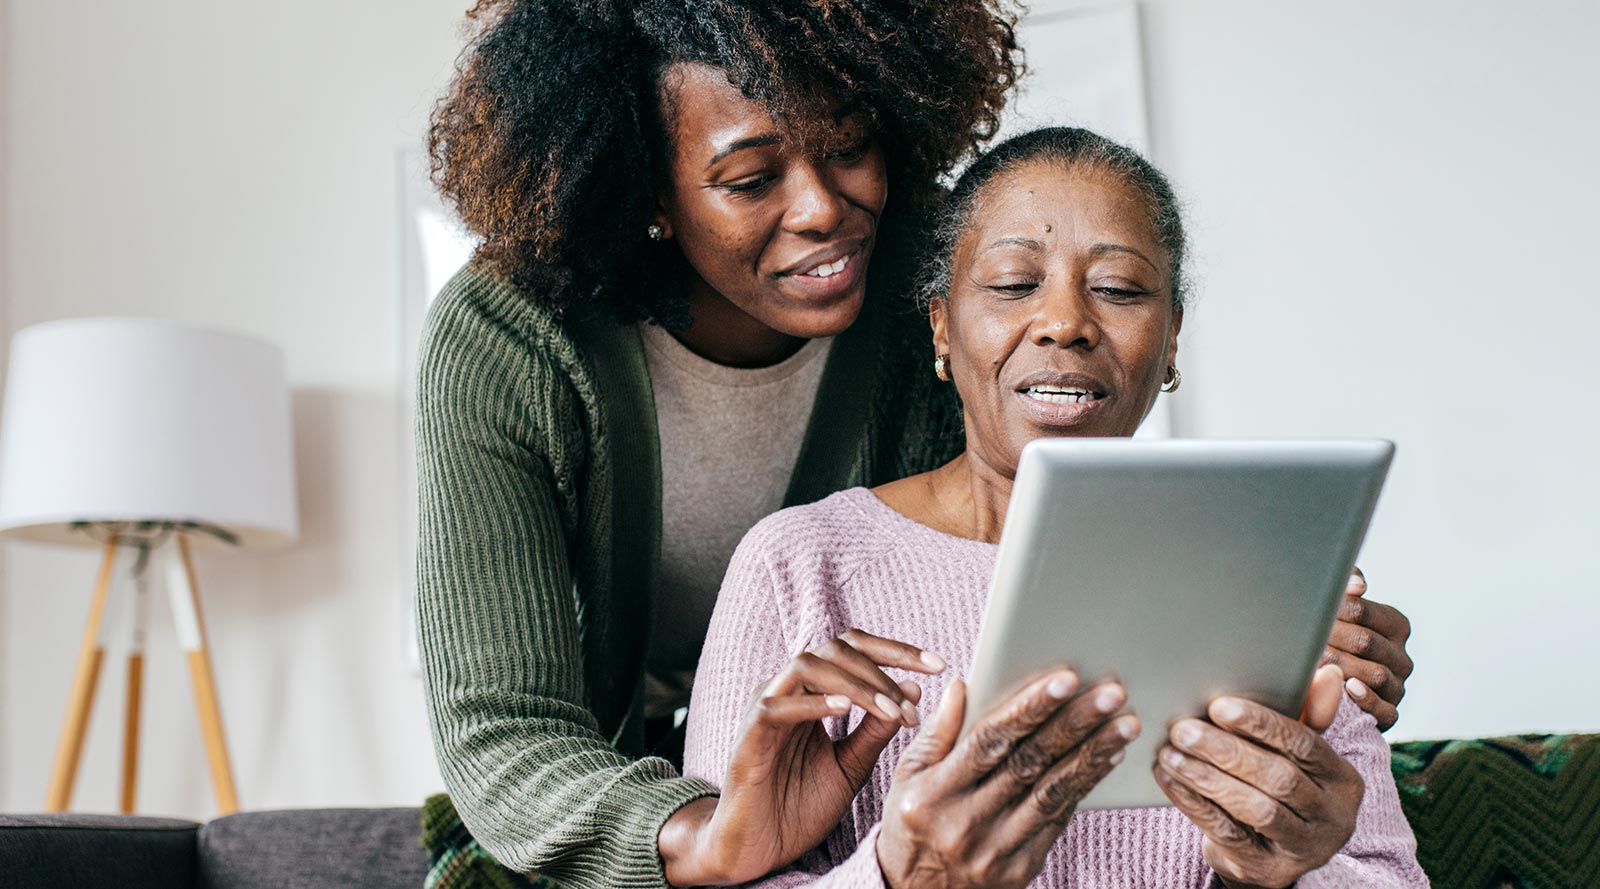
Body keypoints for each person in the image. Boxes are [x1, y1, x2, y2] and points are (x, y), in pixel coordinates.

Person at [415, 0, 1416, 885]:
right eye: (750, 177)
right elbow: (505, 728)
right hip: (641, 778)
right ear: (645, 196)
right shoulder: (514, 336)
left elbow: (1005, 544)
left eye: (848, 149)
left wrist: (1295, 649)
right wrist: (707, 836)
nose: (821, 209)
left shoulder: (930, 284)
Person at [682, 127, 1427, 888]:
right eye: (1012, 284)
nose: (1065, 321)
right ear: (942, 326)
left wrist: (1272, 876)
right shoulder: (800, 563)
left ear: (1171, 338)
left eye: (1119, 289)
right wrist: (901, 876)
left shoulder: (1274, 575)